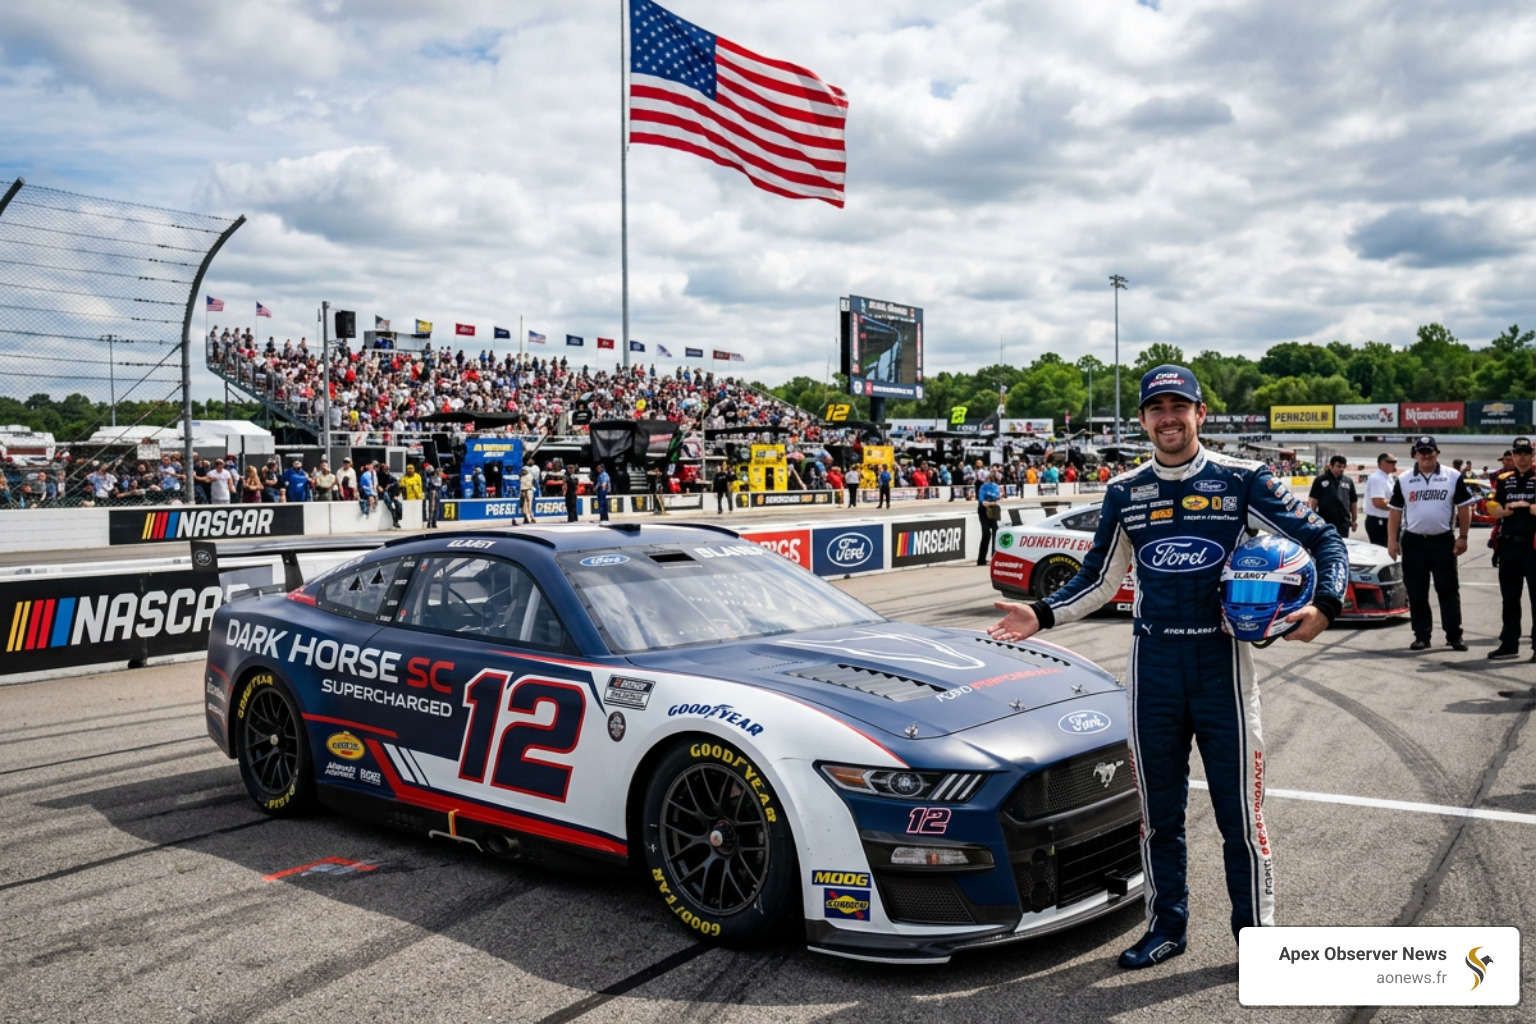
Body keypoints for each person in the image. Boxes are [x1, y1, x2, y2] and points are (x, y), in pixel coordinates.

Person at [989, 364, 1347, 970]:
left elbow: (1326, 540)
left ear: (1200, 414)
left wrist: (1326, 605)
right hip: (1153, 669)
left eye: (1180, 406)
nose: (1168, 418)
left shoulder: (1243, 479)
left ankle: (1257, 937)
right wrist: (1041, 614)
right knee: (1158, 817)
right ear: (1143, 419)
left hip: (1222, 666)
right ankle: (1166, 926)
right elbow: (1098, 580)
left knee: (1240, 816)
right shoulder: (1125, 491)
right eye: (1157, 408)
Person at [1387, 436, 1475, 652]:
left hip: (1443, 541)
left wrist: (1463, 536)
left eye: (1429, 451)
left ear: (1437, 453)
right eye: (1422, 451)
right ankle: (1422, 635)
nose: (1426, 455)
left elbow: (1464, 507)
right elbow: (1395, 512)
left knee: (1448, 589)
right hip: (1414, 541)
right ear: (1415, 455)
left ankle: (1454, 635)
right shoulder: (1404, 479)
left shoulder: (1452, 476)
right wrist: (1392, 541)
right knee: (1417, 591)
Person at [1487, 437, 1536, 660]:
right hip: (1508, 546)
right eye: (1518, 453)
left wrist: (1527, 505)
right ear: (1513, 456)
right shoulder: (1503, 479)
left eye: (1526, 453)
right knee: (1509, 598)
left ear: (1532, 456)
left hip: (1533, 546)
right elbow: (1490, 502)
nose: (1522, 457)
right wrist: (1497, 510)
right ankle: (1509, 644)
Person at [1307, 454, 1357, 538]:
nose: (1341, 469)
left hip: (1343, 523)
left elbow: (1353, 502)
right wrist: (1312, 520)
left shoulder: (1348, 481)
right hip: (1325, 522)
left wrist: (1354, 520)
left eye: (1343, 467)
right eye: (1338, 466)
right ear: (1331, 466)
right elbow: (1313, 501)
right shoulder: (1320, 480)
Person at [1363, 453, 1397, 547]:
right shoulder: (1377, 479)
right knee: (1381, 549)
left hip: (1386, 520)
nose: (1394, 464)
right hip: (1379, 521)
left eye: (1395, 462)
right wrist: (1397, 506)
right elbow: (1379, 502)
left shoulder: (1389, 477)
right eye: (1391, 462)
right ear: (1382, 464)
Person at [976, 474, 1000, 566]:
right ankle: (984, 558)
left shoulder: (990, 486)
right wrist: (990, 500)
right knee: (989, 533)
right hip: (986, 509)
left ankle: (991, 556)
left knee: (992, 532)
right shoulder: (986, 486)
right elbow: (983, 498)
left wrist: (987, 500)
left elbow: (995, 496)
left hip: (990, 508)